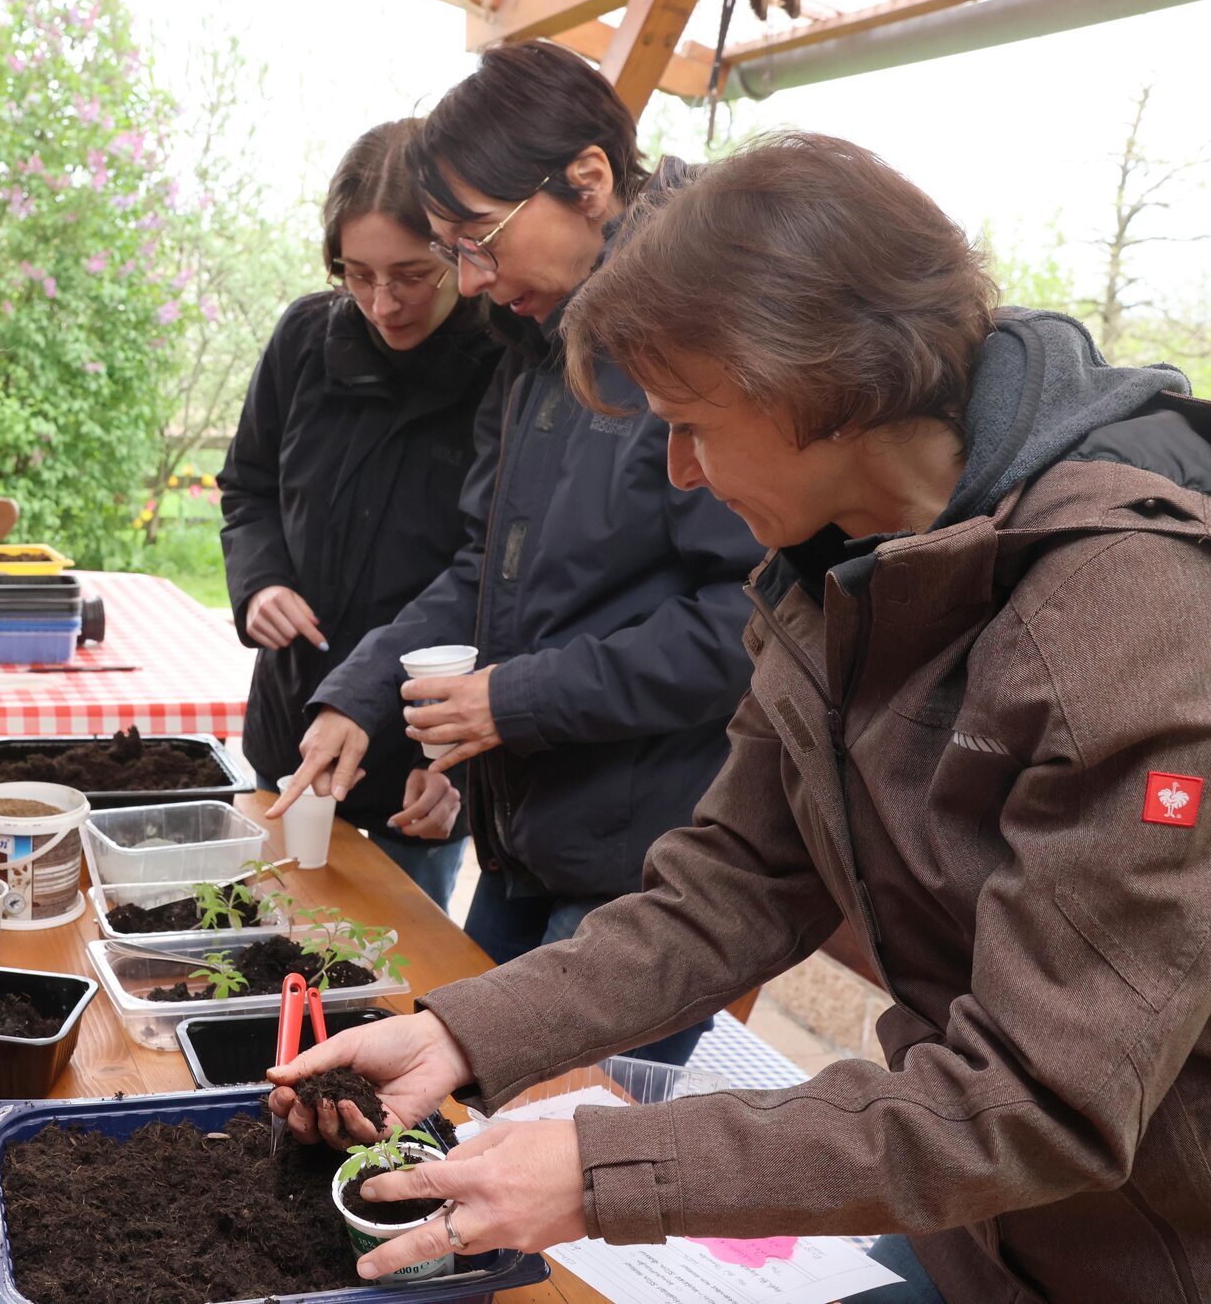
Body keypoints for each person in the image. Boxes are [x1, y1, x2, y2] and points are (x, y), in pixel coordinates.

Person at [268, 133, 1211, 1303]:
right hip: (985, 1226)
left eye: (690, 421)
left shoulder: (1126, 610)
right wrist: (460, 1032)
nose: (674, 470)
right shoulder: (826, 574)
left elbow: (1039, 1098)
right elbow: (734, 880)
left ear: (815, 385)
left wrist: (606, 1166)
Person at [271, 42, 760, 1065]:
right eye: (450, 249)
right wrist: (357, 694)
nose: (469, 278)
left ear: (585, 182)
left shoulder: (698, 342)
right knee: (444, 1103)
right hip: (533, 839)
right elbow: (475, 572)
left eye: (477, 241)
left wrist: (514, 699)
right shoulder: (534, 358)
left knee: (544, 1168)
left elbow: (747, 624)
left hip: (648, 869)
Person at [219, 119, 502, 906]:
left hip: (426, 760)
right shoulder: (303, 341)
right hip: (292, 728)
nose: (384, 303)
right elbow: (247, 490)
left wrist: (463, 774)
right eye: (358, 273)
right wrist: (261, 582)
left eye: (411, 274)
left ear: (458, 250)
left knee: (399, 965)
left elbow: (501, 579)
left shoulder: (509, 368)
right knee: (274, 928)